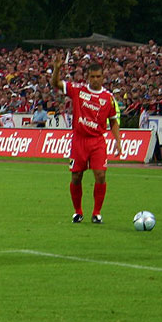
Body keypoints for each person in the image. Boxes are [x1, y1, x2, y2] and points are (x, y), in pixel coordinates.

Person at [51, 54, 121, 224]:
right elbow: (56, 84)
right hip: (79, 140)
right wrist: (57, 69)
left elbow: (113, 121)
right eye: (92, 77)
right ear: (87, 77)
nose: (95, 80)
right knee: (76, 177)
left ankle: (97, 213)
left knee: (100, 175)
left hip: (97, 141)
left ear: (103, 77)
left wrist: (118, 141)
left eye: (98, 77)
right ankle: (78, 212)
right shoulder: (78, 90)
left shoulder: (108, 98)